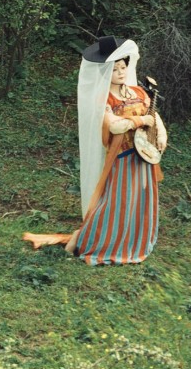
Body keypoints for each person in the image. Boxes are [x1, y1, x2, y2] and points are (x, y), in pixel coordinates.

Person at [24, 35, 160, 265]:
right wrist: (140, 121)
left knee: (140, 200)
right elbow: (116, 125)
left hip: (144, 155)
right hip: (123, 157)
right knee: (116, 203)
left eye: (123, 67)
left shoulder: (138, 92)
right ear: (106, 71)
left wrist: (161, 134)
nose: (120, 72)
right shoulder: (103, 99)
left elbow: (155, 117)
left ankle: (131, 242)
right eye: (115, 68)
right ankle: (84, 238)